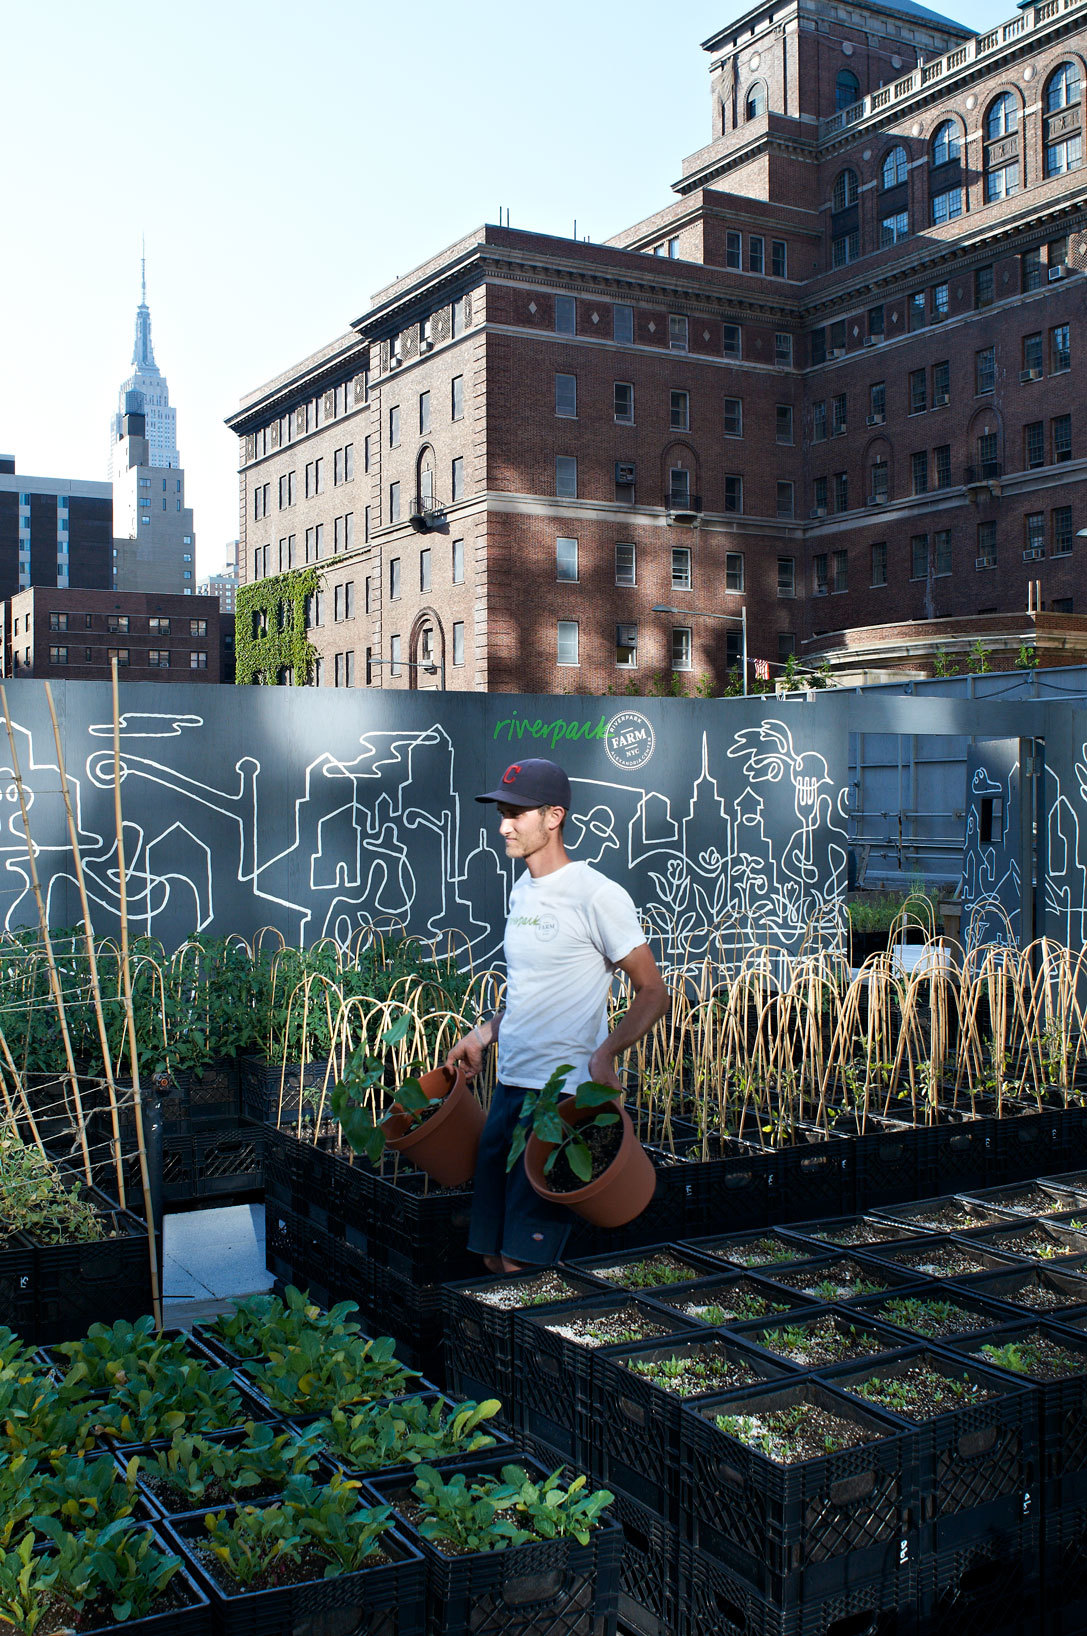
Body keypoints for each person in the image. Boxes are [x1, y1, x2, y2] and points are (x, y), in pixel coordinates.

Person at [445, 757, 668, 1273]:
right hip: (509, 1088)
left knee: (520, 1263)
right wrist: (483, 1034)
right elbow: (532, 993)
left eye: (515, 814)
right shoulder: (523, 890)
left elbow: (653, 991)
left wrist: (605, 1054)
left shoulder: (597, 895)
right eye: (502, 814)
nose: (504, 826)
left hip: (557, 1098)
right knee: (490, 1255)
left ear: (553, 817)